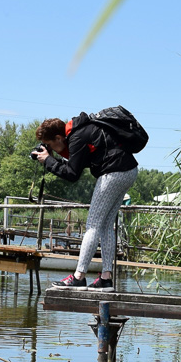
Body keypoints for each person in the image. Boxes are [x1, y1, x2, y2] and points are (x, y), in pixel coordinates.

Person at [34, 113, 138, 290]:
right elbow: (73, 166)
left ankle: (78, 277)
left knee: (92, 225)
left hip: (113, 172)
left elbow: (72, 174)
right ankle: (106, 279)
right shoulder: (80, 133)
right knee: (106, 225)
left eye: (50, 144)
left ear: (58, 137)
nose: (51, 148)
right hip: (128, 171)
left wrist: (48, 160)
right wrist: (51, 159)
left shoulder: (76, 137)